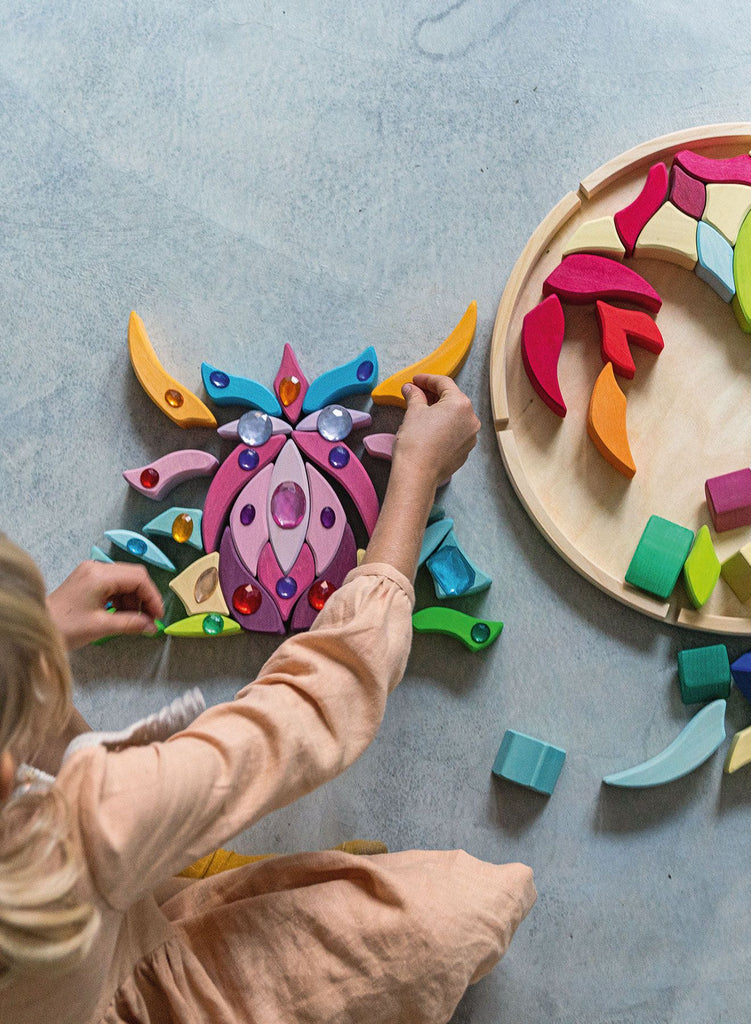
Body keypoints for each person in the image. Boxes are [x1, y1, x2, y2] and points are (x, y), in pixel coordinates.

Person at [0, 374, 536, 1023]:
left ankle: (169, 884)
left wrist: (34, 636)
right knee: (461, 912)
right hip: (140, 993)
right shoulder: (93, 825)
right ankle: (173, 887)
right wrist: (417, 472)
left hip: (70, 964)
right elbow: (322, 696)